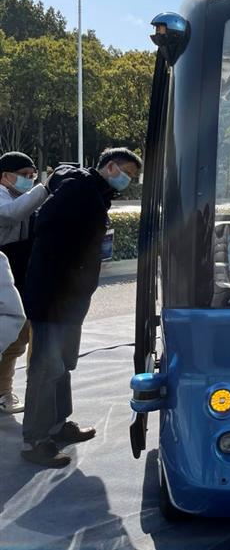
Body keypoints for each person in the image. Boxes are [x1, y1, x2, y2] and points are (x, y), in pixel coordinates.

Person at [20, 147, 142, 467]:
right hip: (53, 296)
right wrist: (68, 271)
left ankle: (59, 426)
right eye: (127, 172)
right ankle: (36, 440)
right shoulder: (79, 188)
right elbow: (46, 227)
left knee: (64, 362)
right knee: (46, 368)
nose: (128, 180)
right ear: (111, 166)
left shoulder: (95, 193)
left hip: (71, 298)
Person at [0, 151, 48, 414]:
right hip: (3, 275)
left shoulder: (24, 199)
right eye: (23, 176)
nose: (29, 180)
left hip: (20, 275)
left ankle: (4, 391)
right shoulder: (4, 197)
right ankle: (2, 393)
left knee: (20, 336)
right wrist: (44, 189)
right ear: (4, 176)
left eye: (32, 176)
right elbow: (9, 216)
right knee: (8, 334)